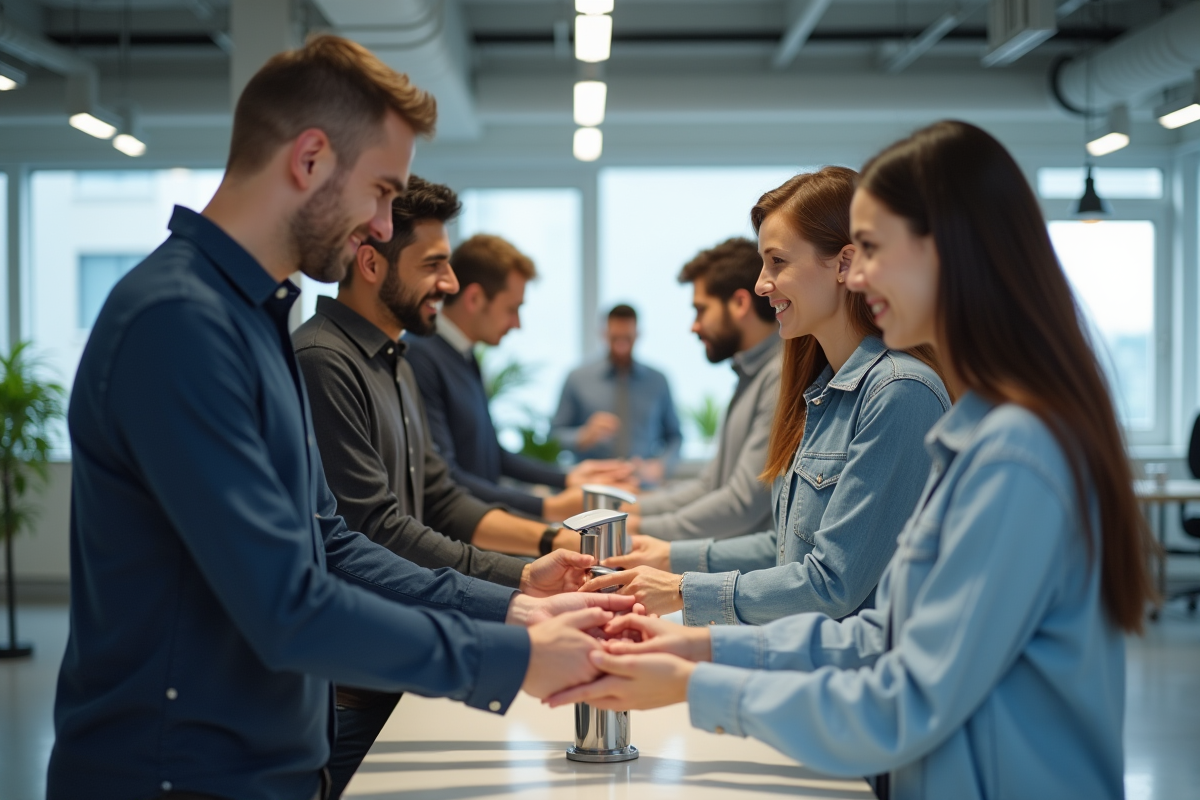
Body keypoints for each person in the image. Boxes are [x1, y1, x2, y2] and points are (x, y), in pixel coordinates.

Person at [49, 36, 631, 800]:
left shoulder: (257, 318)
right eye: (382, 191)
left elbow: (332, 541)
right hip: (180, 776)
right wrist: (510, 657)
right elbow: (286, 606)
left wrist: (516, 606)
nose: (383, 227)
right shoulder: (179, 323)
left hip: (270, 766)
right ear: (310, 158)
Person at [551, 121, 1157, 800]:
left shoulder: (1012, 452)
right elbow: (882, 636)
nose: (857, 273)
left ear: (947, 251)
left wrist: (699, 685)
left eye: (870, 249)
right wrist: (700, 648)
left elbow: (905, 697)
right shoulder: (973, 436)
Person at [293, 178, 621, 795]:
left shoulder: (392, 359)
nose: (449, 283)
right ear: (370, 263)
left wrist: (532, 564)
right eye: (433, 265)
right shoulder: (323, 361)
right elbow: (373, 529)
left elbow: (440, 495)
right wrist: (513, 594)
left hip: (406, 658)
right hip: (349, 686)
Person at [584, 170, 950, 625]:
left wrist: (681, 588)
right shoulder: (820, 393)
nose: (761, 284)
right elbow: (784, 548)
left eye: (777, 261)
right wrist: (669, 557)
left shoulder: (899, 392)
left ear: (844, 264)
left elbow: (831, 584)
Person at [405, 233, 633, 520]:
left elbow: (492, 454)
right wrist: (547, 507)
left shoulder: (464, 356)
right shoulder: (420, 356)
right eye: (512, 309)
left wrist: (567, 478)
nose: (517, 324)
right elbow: (448, 478)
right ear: (474, 298)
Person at [617, 238, 783, 541]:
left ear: (740, 303)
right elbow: (710, 486)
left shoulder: (779, 375)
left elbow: (741, 504)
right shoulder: (750, 374)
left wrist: (630, 528)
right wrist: (623, 511)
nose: (694, 326)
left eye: (701, 310)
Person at [552, 304, 682, 483]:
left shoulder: (658, 381)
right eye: (615, 338)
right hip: (593, 486)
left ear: (637, 334)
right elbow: (554, 437)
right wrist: (582, 436)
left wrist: (662, 465)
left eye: (627, 338)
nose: (621, 345)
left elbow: (675, 437)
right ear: (604, 334)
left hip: (641, 486)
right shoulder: (577, 378)